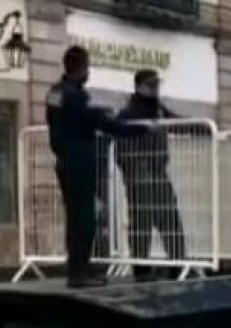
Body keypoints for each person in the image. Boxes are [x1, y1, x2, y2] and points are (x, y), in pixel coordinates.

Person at [46, 46, 151, 288]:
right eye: (88, 67)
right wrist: (141, 128)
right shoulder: (76, 95)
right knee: (84, 218)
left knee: (75, 217)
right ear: (81, 67)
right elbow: (99, 123)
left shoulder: (55, 93)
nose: (89, 72)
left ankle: (79, 269)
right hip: (80, 161)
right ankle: (79, 274)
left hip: (63, 160)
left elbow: (57, 120)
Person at [115, 69, 186, 282]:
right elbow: (120, 143)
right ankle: (141, 268)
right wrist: (130, 169)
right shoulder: (129, 112)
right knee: (142, 220)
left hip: (158, 169)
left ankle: (178, 264)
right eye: (151, 85)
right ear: (139, 86)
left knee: (169, 216)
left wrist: (200, 126)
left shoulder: (158, 109)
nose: (156, 89)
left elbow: (175, 121)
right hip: (139, 170)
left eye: (157, 84)